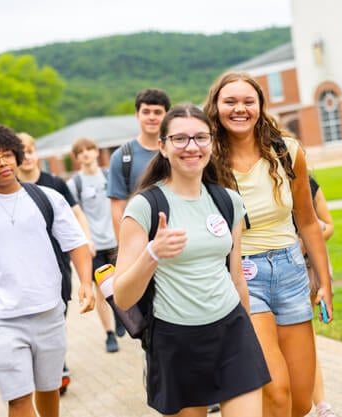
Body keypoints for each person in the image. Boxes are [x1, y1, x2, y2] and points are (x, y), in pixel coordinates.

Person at [113, 103, 270, 416]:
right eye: (180, 139)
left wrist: (249, 330)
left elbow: (236, 276)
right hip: (176, 340)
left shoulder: (228, 201)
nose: (191, 147)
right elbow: (122, 295)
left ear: (211, 143)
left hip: (232, 332)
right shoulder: (144, 207)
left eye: (200, 138)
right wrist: (152, 254)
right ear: (163, 147)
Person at [0, 122, 95, 417]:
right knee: (18, 398)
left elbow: (76, 243)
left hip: (49, 312)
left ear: (16, 154)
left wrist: (86, 284)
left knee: (49, 389)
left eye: (6, 154)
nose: (2, 162)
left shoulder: (47, 199)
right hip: (1, 318)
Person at [204, 72, 333, 417]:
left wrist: (324, 283)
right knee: (277, 391)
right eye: (230, 101)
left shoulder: (287, 153)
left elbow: (308, 221)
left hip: (292, 272)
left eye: (248, 101)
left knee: (301, 401)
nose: (240, 109)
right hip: (243, 276)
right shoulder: (208, 163)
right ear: (215, 107)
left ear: (260, 106)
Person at [17, 131, 96, 391]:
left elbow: (77, 213)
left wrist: (87, 241)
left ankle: (57, 363)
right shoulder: (9, 187)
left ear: (35, 153)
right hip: (25, 264)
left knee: (58, 313)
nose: (27, 156)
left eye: (30, 150)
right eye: (21, 152)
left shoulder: (55, 183)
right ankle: (39, 364)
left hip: (58, 260)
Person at [67, 137, 120, 353]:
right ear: (77, 157)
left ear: (97, 152)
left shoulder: (110, 176)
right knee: (101, 292)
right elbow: (75, 216)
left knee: (119, 284)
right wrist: (86, 240)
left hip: (116, 242)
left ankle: (121, 317)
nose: (86, 154)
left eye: (89, 149)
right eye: (81, 152)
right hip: (93, 246)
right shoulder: (74, 184)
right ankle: (109, 334)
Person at [107, 88, 171, 240]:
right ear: (137, 115)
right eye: (146, 112)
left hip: (178, 234)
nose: (152, 117)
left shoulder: (179, 150)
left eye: (157, 112)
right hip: (141, 237)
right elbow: (117, 208)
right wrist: (122, 247)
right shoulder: (122, 157)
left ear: (167, 115)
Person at [304, 176, 336, 417]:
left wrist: (304, 241)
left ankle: (322, 405)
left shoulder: (307, 182)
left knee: (306, 339)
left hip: (307, 268)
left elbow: (328, 225)